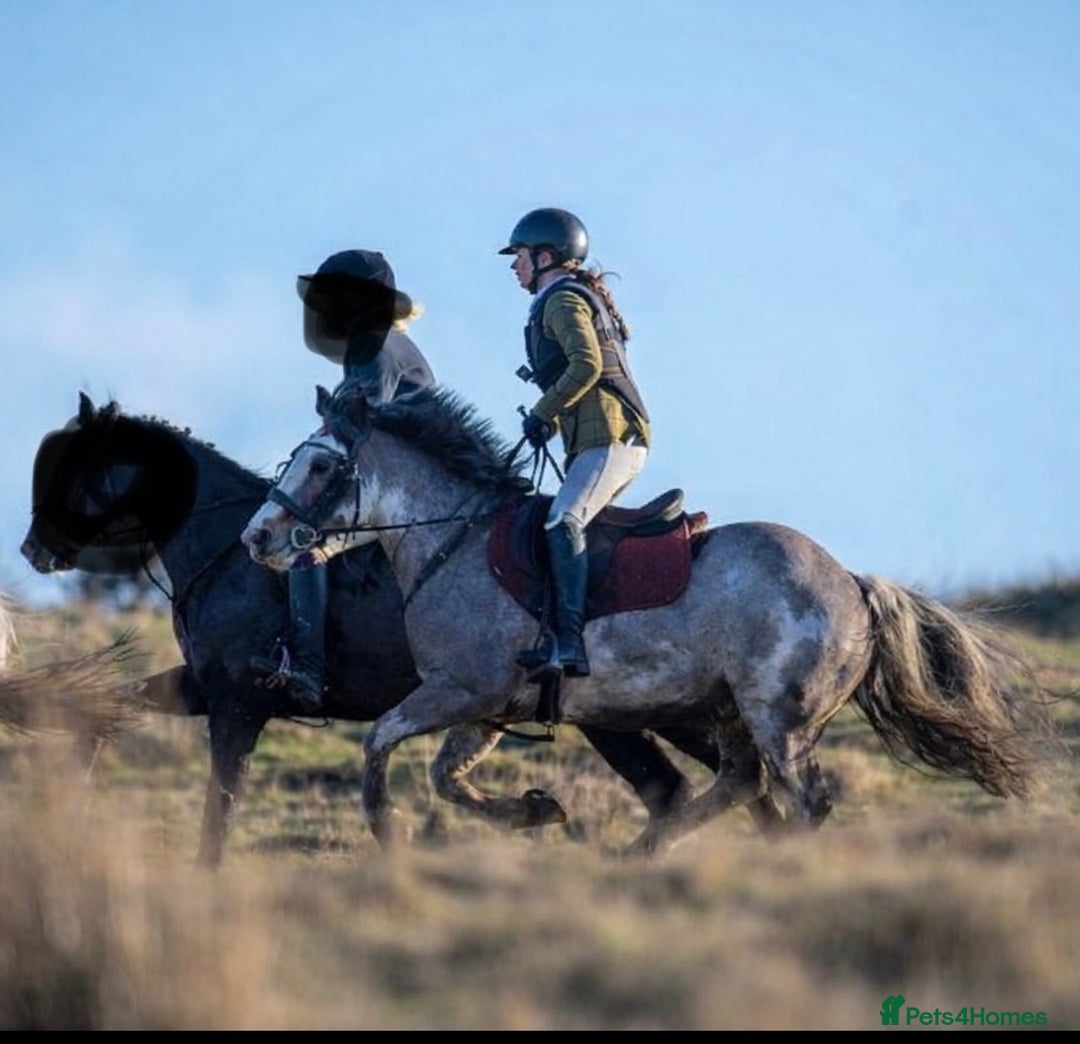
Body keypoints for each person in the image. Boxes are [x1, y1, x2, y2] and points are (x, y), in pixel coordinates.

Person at [251, 249, 436, 709]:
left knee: (302, 544)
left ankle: (308, 668)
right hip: (402, 481)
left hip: (393, 488)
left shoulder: (370, 342)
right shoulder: (387, 340)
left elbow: (355, 426)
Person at [499, 208, 650, 680]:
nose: (513, 266)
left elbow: (586, 367)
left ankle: (569, 644)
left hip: (611, 436)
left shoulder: (562, 300)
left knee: (565, 519)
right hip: (595, 436)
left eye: (519, 256)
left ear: (545, 256)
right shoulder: (565, 296)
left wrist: (543, 413)